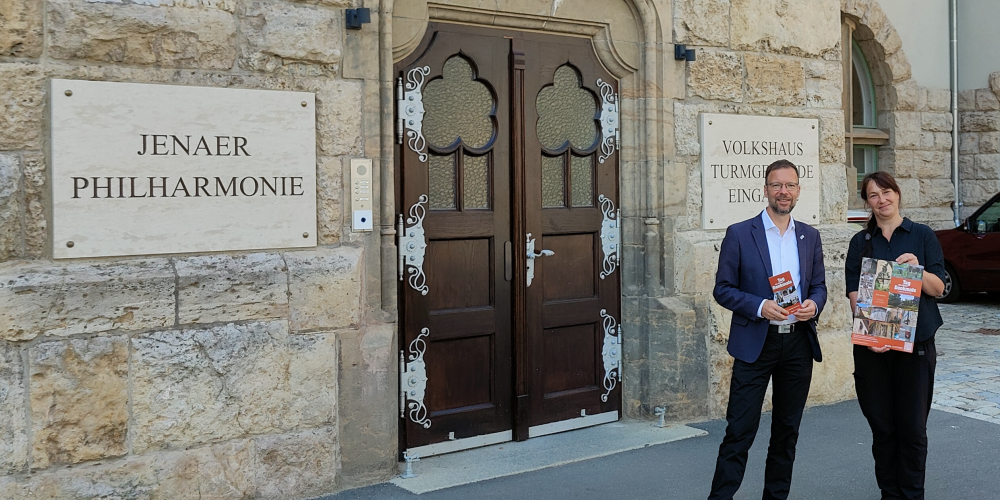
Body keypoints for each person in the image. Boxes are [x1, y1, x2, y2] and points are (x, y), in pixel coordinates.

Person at [708, 159, 827, 500]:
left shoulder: (809, 235)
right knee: (740, 431)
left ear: (798, 191)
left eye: (790, 185)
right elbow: (723, 289)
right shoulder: (740, 233)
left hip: (797, 346)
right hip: (756, 344)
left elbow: (819, 286)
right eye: (777, 185)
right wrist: (760, 307)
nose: (783, 192)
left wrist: (813, 306)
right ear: (765, 190)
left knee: (787, 432)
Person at [846, 171, 945, 500]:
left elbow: (939, 287)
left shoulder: (922, 236)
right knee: (882, 428)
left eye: (886, 192)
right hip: (873, 350)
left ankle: (912, 494)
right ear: (867, 203)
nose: (881, 199)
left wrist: (918, 271)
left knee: (913, 428)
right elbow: (854, 297)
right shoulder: (860, 243)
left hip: (915, 348)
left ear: (898, 194)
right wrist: (874, 336)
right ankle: (889, 493)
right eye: (873, 195)